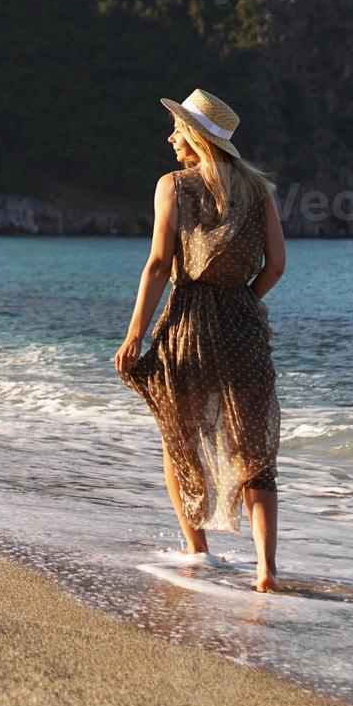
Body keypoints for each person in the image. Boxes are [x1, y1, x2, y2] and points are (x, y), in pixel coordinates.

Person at [113, 89, 287, 593]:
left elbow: (158, 265)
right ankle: (266, 569)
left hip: (187, 322)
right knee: (254, 449)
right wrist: (245, 298)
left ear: (196, 137)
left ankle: (198, 549)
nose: (170, 137)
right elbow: (277, 265)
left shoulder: (172, 186)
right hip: (244, 324)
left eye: (178, 129)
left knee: (178, 433)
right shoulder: (259, 192)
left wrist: (134, 336)